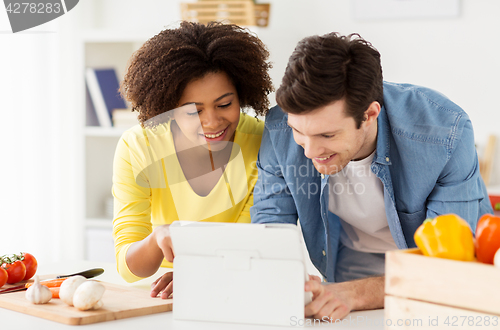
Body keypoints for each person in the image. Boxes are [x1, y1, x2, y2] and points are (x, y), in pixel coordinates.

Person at [250, 32, 493, 320]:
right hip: (346, 277)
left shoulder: (444, 133)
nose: (310, 151)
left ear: (369, 114)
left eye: (327, 134)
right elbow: (270, 226)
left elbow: (444, 266)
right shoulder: (278, 127)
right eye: (299, 132)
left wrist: (353, 294)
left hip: (438, 287)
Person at [112, 21, 273, 298]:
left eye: (225, 104)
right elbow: (128, 267)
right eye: (192, 111)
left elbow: (252, 242)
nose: (211, 121)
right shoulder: (139, 145)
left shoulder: (262, 141)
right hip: (156, 294)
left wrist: (199, 271)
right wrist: (157, 236)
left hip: (234, 285)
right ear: (167, 108)